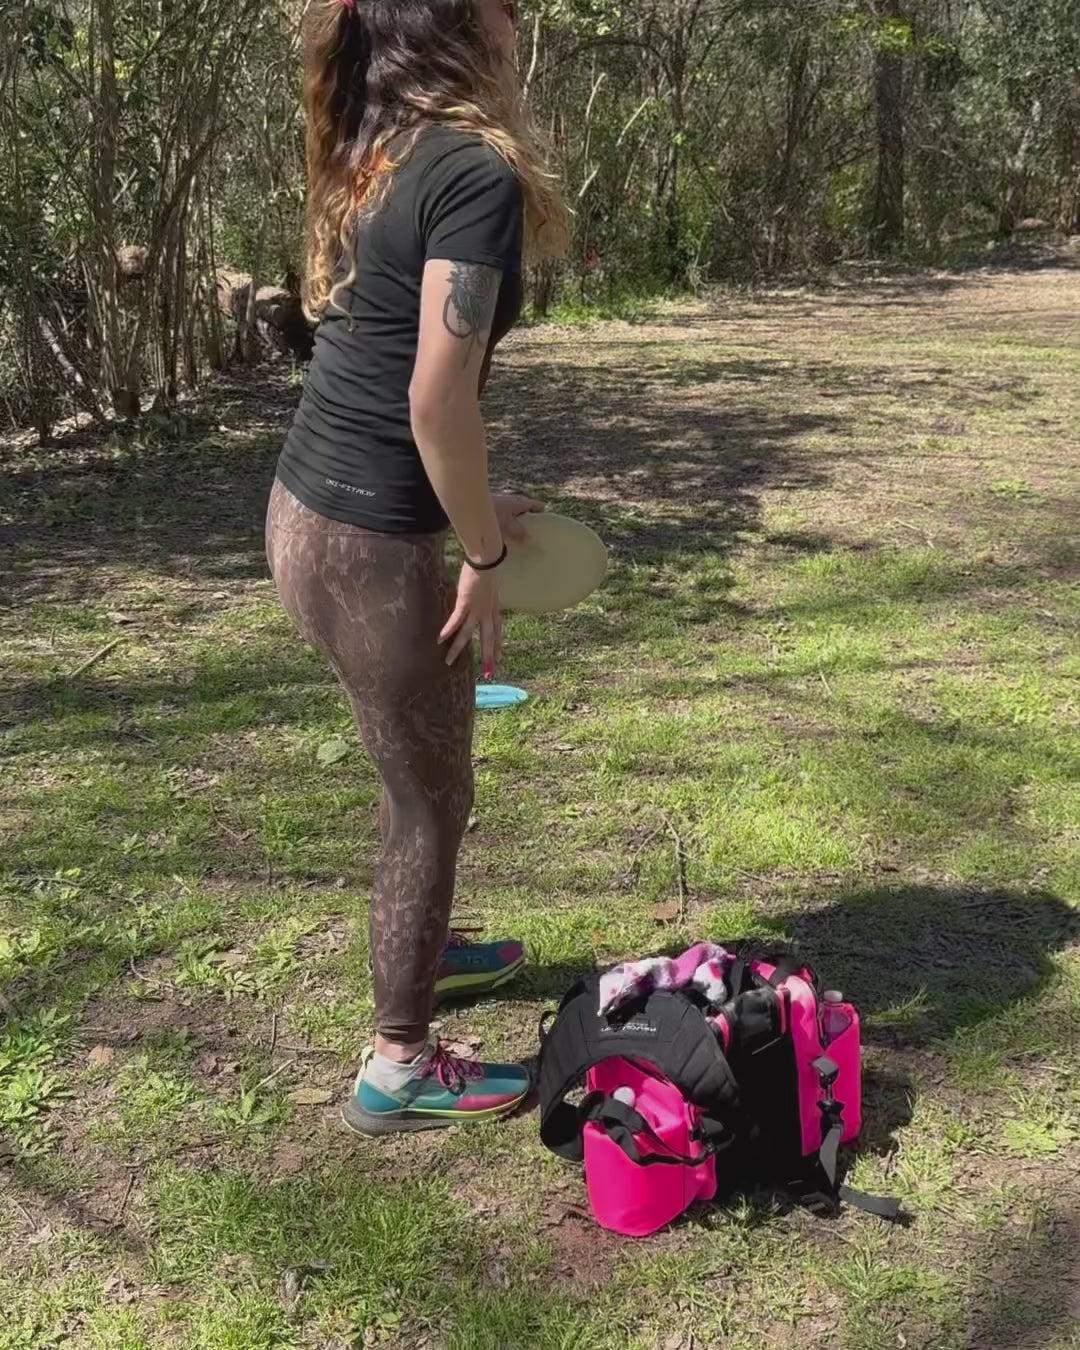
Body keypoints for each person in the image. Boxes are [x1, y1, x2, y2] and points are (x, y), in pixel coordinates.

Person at [265, 0, 566, 1135]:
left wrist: (472, 508)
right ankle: (400, 1063)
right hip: (368, 548)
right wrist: (479, 552)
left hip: (305, 516)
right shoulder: (471, 172)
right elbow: (435, 398)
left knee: (415, 781)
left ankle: (425, 948)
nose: (515, 16)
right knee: (431, 802)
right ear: (455, 26)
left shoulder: (380, 149)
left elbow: (394, 360)